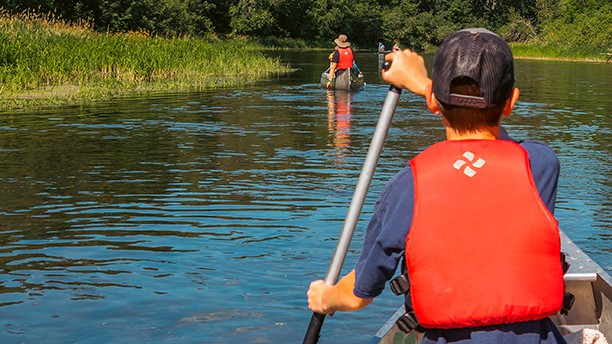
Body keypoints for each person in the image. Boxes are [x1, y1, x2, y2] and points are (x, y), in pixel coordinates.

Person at [307, 28, 568, 343]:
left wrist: (326, 297)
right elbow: (501, 152)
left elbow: (358, 294)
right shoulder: (541, 163)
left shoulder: (407, 186)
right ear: (511, 101)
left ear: (433, 101)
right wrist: (424, 86)